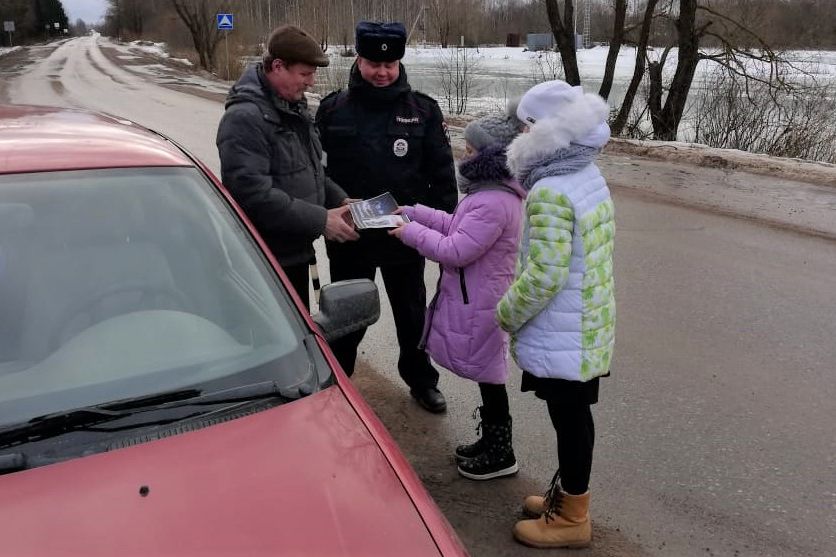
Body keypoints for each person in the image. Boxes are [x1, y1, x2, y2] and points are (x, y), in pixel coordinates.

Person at [496, 80, 616, 549]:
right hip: (585, 322)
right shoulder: (586, 173)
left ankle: (572, 518)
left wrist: (506, 314)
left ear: (543, 132)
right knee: (575, 416)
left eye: (524, 125)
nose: (518, 134)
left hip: (564, 328)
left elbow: (544, 276)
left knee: (569, 418)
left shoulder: (550, 190)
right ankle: (568, 498)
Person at [316, 21, 457, 413]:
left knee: (411, 314)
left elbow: (443, 178)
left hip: (404, 236)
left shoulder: (423, 111)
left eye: (390, 64)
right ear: (358, 59)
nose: (382, 72)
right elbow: (316, 173)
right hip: (351, 236)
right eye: (373, 63)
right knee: (347, 315)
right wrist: (326, 216)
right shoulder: (332, 110)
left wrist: (445, 234)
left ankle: (421, 380)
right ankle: (337, 381)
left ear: (399, 63)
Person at [389, 106, 524, 479]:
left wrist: (408, 233)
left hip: (484, 300)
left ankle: (501, 452)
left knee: (491, 374)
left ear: (491, 157)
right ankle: (494, 441)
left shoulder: (495, 202)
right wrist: (416, 213)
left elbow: (456, 250)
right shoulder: (487, 195)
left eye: (469, 150)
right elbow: (456, 224)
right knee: (487, 373)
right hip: (479, 295)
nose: (463, 156)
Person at [217, 24, 358, 309]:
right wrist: (320, 220)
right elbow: (253, 195)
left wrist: (340, 199)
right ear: (278, 66)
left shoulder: (293, 107)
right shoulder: (245, 118)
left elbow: (310, 170)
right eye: (305, 74)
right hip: (267, 261)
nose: (311, 83)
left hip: (295, 252)